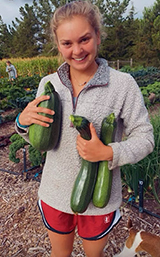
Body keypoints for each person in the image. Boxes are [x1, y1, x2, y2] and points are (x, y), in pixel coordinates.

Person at [15, 1, 154, 257]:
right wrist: (23, 123)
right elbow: (40, 138)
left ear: (98, 36)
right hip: (54, 192)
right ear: (58, 45)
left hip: (99, 200)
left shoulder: (122, 85)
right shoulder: (49, 84)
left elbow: (145, 137)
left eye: (84, 39)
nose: (77, 50)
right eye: (67, 43)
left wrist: (108, 153)